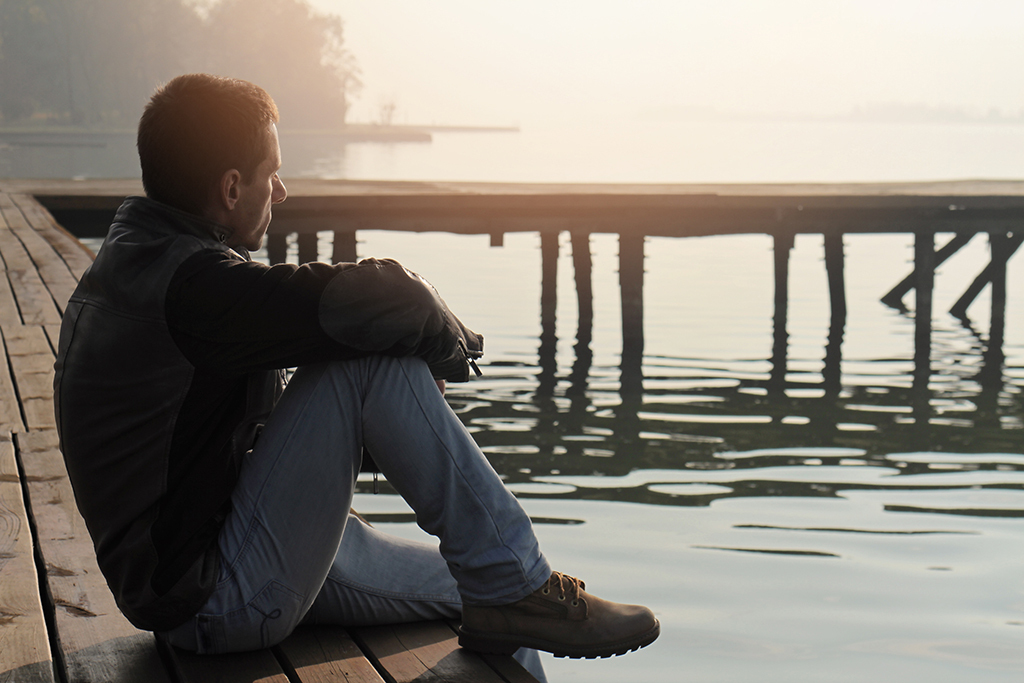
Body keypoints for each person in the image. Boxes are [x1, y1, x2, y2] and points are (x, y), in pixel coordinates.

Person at [52, 73, 659, 667]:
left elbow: (213, 442)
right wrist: (447, 350)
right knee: (367, 361)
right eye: (273, 174)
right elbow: (395, 297)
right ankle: (516, 583)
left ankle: (515, 587)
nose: (282, 193)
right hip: (213, 598)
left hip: (229, 556)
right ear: (233, 188)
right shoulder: (194, 289)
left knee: (486, 591)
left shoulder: (139, 264)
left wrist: (389, 419)